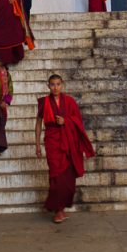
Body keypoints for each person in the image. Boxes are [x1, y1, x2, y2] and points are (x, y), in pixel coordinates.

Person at [35, 73, 95, 223]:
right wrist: (36, 144)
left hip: (68, 143)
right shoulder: (44, 103)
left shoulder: (69, 101)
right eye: (52, 84)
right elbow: (38, 123)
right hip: (53, 142)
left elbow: (78, 122)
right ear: (48, 85)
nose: (55, 87)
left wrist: (66, 121)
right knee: (56, 176)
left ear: (62, 85)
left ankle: (61, 209)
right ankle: (58, 210)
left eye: (58, 84)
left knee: (68, 180)